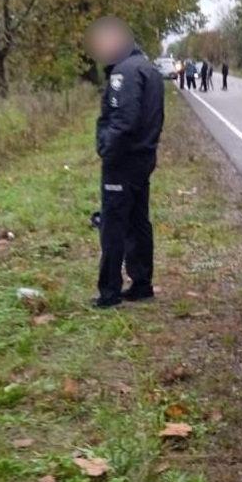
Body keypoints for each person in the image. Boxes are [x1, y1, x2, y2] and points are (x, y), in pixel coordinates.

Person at [85, 17, 164, 308]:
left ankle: (109, 292)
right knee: (137, 220)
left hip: (123, 160)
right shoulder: (148, 69)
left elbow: (123, 120)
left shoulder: (124, 74)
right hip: (143, 158)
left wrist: (106, 148)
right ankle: (141, 282)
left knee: (114, 225)